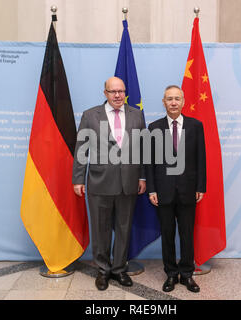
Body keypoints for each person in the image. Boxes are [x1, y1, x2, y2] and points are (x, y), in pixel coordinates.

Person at [72, 77, 146, 291]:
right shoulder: (90, 115)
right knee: (100, 229)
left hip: (128, 183)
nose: (117, 95)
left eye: (121, 91)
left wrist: (142, 177)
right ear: (104, 93)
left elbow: (142, 149)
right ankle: (103, 270)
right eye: (113, 91)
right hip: (99, 182)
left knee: (124, 228)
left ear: (125, 93)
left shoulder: (136, 115)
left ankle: (119, 269)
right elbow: (81, 150)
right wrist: (78, 178)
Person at [146, 85, 206, 293]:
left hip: (188, 191)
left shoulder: (196, 126)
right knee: (168, 234)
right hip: (163, 192)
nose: (173, 102)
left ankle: (187, 274)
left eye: (177, 99)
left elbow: (200, 159)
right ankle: (171, 274)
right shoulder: (153, 128)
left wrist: (200, 186)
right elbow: (150, 162)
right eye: (169, 99)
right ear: (163, 102)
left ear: (183, 101)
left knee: (187, 235)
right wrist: (151, 189)